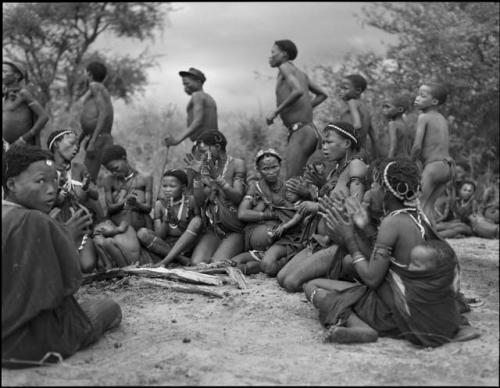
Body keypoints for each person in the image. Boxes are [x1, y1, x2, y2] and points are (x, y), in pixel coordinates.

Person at [304, 158, 477, 347]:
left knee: (312, 286)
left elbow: (372, 278)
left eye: (377, 184)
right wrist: (364, 226)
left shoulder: (392, 222)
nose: (372, 189)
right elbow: (392, 261)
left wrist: (349, 239)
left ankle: (361, 327)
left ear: (387, 192)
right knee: (347, 267)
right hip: (419, 304)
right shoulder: (418, 216)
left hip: (397, 312)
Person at [2, 145, 121, 368]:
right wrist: (68, 237)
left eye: (54, 181)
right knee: (109, 307)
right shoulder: (35, 220)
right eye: (40, 181)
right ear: (12, 184)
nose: (51, 190)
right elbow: (67, 283)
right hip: (28, 340)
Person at [277, 121, 369, 292]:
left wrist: (317, 207)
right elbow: (329, 200)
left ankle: (342, 276)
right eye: (323, 143)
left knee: (291, 283)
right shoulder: (334, 171)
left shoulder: (356, 166)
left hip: (341, 243)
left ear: (347, 144)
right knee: (282, 278)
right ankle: (325, 273)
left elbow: (355, 207)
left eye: (329, 142)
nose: (324, 147)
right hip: (320, 241)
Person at [266, 39, 328, 179]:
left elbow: (298, 90)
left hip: (300, 131)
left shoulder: (284, 67)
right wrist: (305, 107)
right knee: (301, 181)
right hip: (310, 131)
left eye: (273, 52)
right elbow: (323, 95)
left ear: (283, 55)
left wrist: (275, 112)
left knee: (291, 183)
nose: (270, 56)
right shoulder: (301, 73)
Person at [46, 129, 105, 273]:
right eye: (71, 143)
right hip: (53, 227)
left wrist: (86, 188)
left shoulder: (79, 168)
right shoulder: (44, 168)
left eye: (77, 145)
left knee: (87, 266)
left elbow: (95, 195)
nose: (76, 148)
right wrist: (57, 199)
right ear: (56, 145)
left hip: (80, 227)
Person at [187, 130, 247, 264]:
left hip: (235, 230)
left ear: (218, 147)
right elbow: (200, 201)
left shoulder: (237, 164)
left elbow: (237, 197)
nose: (202, 156)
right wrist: (196, 177)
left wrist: (217, 178)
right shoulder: (206, 168)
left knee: (216, 265)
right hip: (214, 230)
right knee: (197, 263)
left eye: (204, 151)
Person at [137, 169, 203, 267]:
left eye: (172, 186)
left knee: (197, 221)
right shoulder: (160, 204)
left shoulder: (191, 201)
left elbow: (196, 228)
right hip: (165, 246)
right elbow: (160, 235)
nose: (167, 190)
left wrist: (177, 220)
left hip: (185, 245)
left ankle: (171, 260)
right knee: (142, 233)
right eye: (164, 186)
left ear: (183, 188)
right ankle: (180, 259)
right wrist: (167, 218)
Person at [411, 82, 454, 225]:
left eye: (422, 96)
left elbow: (417, 146)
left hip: (433, 167)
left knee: (417, 205)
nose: (417, 98)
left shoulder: (423, 117)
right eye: (418, 94)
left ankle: (419, 240)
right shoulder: (442, 118)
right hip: (448, 167)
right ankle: (433, 241)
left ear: (434, 101)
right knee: (428, 208)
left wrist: (410, 162)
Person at [101, 144, 153, 232]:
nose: (114, 173)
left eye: (116, 168)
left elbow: (148, 208)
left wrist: (136, 203)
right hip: (114, 224)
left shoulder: (145, 178)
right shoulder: (108, 180)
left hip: (140, 226)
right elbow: (110, 208)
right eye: (110, 170)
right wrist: (124, 201)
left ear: (124, 159)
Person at [164, 67, 218, 148]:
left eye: (187, 83)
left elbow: (198, 121)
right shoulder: (209, 98)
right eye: (184, 85)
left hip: (204, 144)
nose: (185, 87)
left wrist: (177, 140)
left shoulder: (197, 95)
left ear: (198, 82)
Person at [79, 61, 114, 183]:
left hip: (99, 139)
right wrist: (80, 139)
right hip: (98, 137)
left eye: (85, 72)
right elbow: (95, 116)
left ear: (89, 74)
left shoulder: (94, 86)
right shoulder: (99, 89)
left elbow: (104, 114)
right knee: (87, 177)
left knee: (86, 179)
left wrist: (92, 141)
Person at [2, 60, 49, 147]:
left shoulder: (24, 93)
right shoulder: (6, 94)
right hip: (6, 147)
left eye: (4, 71)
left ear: (17, 75)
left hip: (23, 147)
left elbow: (44, 117)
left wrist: (24, 139)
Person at [339, 74, 377, 162]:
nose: (341, 91)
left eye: (345, 88)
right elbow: (374, 138)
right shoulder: (365, 109)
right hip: (362, 153)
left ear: (358, 90)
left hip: (352, 153)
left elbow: (357, 125)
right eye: (341, 88)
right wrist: (375, 159)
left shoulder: (352, 103)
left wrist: (337, 134)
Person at [381, 94, 412, 158]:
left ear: (400, 109)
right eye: (383, 107)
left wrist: (387, 162)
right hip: (407, 159)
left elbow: (393, 147)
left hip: (398, 159)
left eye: (387, 107)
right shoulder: (405, 125)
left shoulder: (393, 124)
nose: (384, 109)